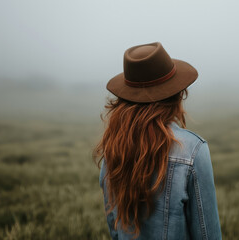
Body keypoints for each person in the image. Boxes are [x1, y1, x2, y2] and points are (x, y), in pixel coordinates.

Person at [94, 42, 222, 240]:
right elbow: (207, 235)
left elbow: (115, 229)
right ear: (175, 94)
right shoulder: (193, 150)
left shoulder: (114, 149)